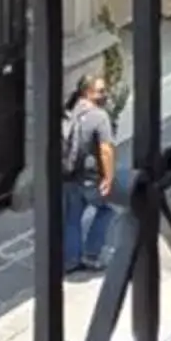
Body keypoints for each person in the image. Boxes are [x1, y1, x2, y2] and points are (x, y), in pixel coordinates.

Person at [61, 73, 116, 275]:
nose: (104, 94)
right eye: (100, 91)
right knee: (107, 211)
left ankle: (71, 260)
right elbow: (105, 149)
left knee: (72, 218)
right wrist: (108, 178)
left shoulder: (71, 109)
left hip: (69, 175)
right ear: (87, 92)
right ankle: (91, 254)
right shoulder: (99, 117)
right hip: (90, 177)